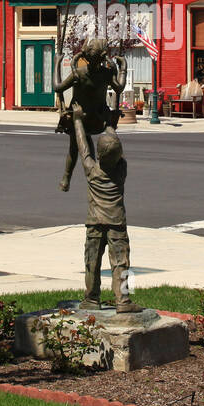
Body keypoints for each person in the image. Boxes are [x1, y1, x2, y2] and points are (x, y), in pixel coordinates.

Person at [72, 104, 141, 313]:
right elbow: (114, 147)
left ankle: (91, 298)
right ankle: (123, 300)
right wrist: (111, 125)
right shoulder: (121, 170)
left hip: (94, 222)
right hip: (116, 223)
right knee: (121, 262)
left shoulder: (91, 170)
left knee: (92, 261)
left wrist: (77, 120)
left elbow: (83, 147)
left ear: (99, 157)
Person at [53, 38, 125, 192]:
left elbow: (57, 87)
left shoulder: (78, 73)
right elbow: (119, 88)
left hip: (79, 118)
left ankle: (66, 178)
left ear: (84, 56)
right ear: (103, 57)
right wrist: (123, 67)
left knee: (74, 146)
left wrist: (57, 63)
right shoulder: (107, 73)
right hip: (98, 120)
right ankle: (93, 176)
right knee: (94, 139)